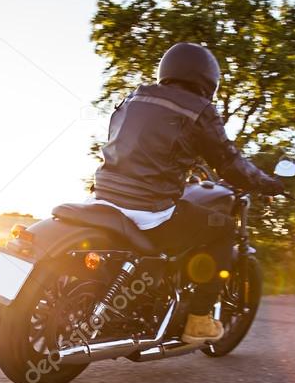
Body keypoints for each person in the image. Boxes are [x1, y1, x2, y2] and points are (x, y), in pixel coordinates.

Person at [92, 42, 284, 344]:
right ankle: (198, 320)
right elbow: (229, 163)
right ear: (207, 79)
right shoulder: (199, 110)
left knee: (186, 218)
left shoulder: (135, 97)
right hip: (148, 210)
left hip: (103, 198)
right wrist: (268, 183)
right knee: (221, 229)